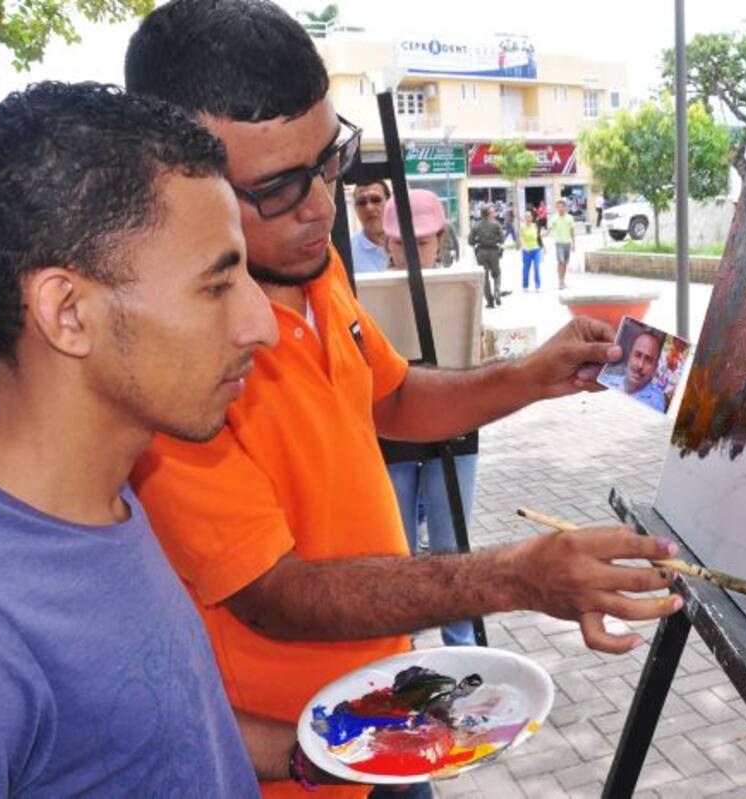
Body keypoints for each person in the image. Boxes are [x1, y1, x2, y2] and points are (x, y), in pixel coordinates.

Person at [124, 3, 681, 797]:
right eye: (278, 188)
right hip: (291, 760)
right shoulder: (168, 360)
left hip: (387, 704)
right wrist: (515, 577)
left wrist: (532, 374)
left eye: (330, 161)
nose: (321, 206)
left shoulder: (309, 263)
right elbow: (273, 593)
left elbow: (390, 398)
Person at [0, 81, 270, 796]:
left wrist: (310, 751)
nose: (261, 325)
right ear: (67, 311)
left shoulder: (98, 495)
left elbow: (144, 729)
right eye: (216, 287)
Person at [380, 190, 477, 647]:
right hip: (390, 427)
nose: (410, 252)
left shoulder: (462, 286)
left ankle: (462, 645)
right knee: (396, 548)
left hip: (454, 424)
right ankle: (404, 647)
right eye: (401, 243)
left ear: (440, 239)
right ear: (386, 242)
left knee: (450, 548)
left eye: (420, 242)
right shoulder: (365, 292)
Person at [599, 329, 667, 411]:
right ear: (629, 356)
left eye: (648, 360)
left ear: (655, 367)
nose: (640, 365)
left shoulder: (656, 402)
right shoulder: (605, 379)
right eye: (637, 355)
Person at [350, 180, 390, 273]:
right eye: (362, 202)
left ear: (390, 202)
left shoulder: (413, 243)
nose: (369, 208)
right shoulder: (347, 252)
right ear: (355, 209)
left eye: (376, 200)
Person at [470, 204, 505, 307]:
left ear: (481, 214)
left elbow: (470, 241)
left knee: (484, 277)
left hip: (481, 252)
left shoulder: (476, 225)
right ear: (489, 214)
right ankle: (497, 292)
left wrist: (477, 241)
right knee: (497, 273)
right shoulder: (496, 224)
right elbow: (502, 239)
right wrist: (495, 240)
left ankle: (490, 301)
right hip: (494, 252)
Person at [550, 198, 576, 290]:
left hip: (567, 243)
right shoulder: (554, 218)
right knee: (561, 261)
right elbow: (550, 228)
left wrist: (574, 244)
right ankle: (560, 281)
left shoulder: (570, 218)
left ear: (565, 207)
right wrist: (542, 234)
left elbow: (572, 231)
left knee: (564, 263)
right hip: (559, 243)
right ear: (557, 208)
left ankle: (562, 280)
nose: (560, 208)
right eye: (559, 207)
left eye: (562, 206)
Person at [520, 209, 543, 291]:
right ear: (524, 218)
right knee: (526, 269)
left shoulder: (535, 226)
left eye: (529, 216)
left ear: (532, 217)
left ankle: (537, 286)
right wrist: (523, 247)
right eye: (526, 216)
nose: (528, 218)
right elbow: (521, 238)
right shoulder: (522, 227)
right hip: (527, 251)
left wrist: (543, 247)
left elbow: (538, 237)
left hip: (536, 249)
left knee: (536, 267)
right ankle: (525, 285)